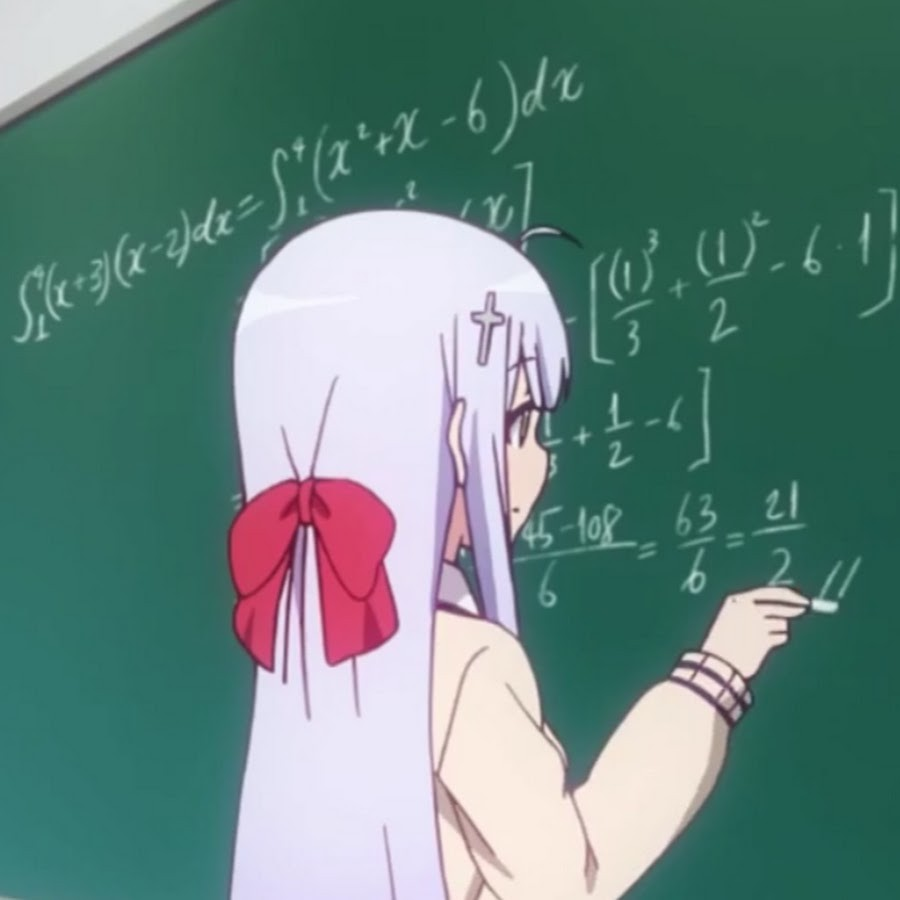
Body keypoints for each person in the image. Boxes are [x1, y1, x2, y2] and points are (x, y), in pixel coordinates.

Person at [226, 209, 810, 899]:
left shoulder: (303, 631)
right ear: (430, 430)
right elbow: (568, 883)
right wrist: (715, 675)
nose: (542, 458)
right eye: (518, 423)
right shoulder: (460, 660)